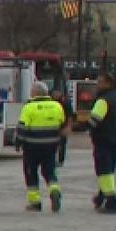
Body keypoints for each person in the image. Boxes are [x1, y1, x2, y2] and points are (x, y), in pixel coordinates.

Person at [18, 82, 68, 212]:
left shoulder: (29, 107)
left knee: (31, 173)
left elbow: (22, 128)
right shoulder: (57, 106)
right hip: (51, 146)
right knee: (49, 171)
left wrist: (18, 142)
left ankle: (35, 202)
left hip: (32, 147)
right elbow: (62, 124)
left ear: (34, 93)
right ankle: (54, 190)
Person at [88, 72, 116, 215]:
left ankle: (111, 202)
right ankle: (101, 197)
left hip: (103, 139)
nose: (97, 85)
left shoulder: (103, 100)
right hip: (115, 139)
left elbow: (94, 120)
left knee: (104, 171)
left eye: (99, 82)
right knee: (110, 169)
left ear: (107, 83)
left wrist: (80, 127)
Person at [52, 88, 71, 166]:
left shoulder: (65, 102)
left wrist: (68, 126)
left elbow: (70, 115)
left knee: (62, 144)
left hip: (63, 126)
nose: (55, 95)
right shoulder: (51, 101)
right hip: (53, 125)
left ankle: (60, 161)